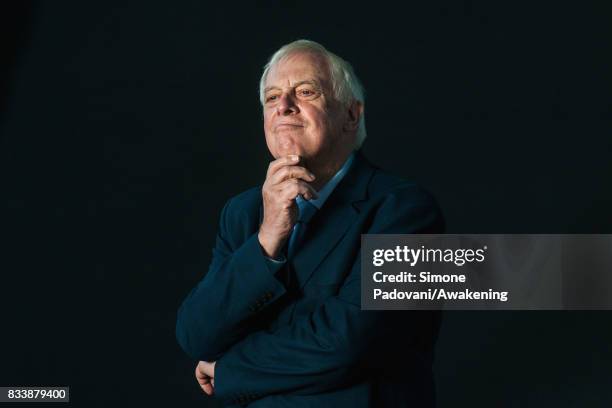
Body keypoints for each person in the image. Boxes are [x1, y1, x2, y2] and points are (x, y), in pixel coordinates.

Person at [176, 39, 444, 407]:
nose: (283, 106)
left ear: (352, 114)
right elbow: (197, 335)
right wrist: (267, 238)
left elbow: (350, 341)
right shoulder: (242, 213)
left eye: (305, 91)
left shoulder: (408, 210)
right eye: (272, 98)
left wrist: (228, 369)